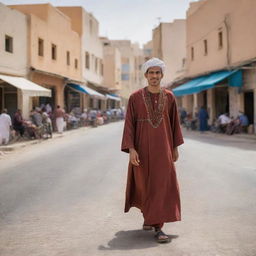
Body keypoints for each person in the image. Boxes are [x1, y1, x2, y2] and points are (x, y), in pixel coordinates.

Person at [121, 58, 184, 243]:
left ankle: (158, 226)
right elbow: (129, 125)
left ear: (162, 75)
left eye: (157, 73)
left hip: (163, 149)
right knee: (144, 185)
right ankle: (149, 216)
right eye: (151, 72)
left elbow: (174, 125)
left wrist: (175, 147)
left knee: (161, 185)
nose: (154, 76)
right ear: (146, 75)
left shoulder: (170, 97)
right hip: (141, 149)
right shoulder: (134, 98)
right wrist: (131, 149)